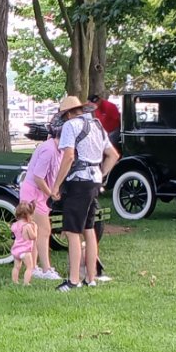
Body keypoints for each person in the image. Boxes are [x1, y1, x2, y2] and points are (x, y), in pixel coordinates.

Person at [52, 95, 119, 292]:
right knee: (89, 229)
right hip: (94, 181)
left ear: (68, 114)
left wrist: (56, 185)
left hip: (78, 182)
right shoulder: (97, 126)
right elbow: (113, 155)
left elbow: (69, 157)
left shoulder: (70, 126)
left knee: (72, 231)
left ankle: (73, 280)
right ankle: (91, 278)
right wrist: (101, 174)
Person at [18, 117, 65, 281]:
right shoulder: (49, 150)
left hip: (40, 194)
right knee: (44, 230)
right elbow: (38, 177)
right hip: (33, 194)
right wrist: (51, 193)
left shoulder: (59, 150)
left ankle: (33, 268)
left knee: (37, 231)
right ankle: (46, 269)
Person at [10, 200, 38, 286]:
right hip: (25, 250)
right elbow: (33, 237)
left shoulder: (14, 225)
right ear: (28, 215)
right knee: (29, 267)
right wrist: (35, 228)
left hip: (16, 249)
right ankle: (26, 283)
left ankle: (15, 282)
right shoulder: (27, 226)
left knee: (16, 267)